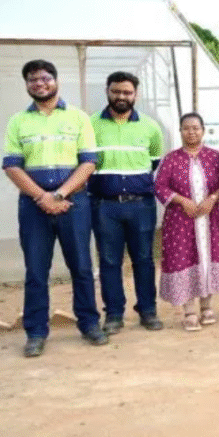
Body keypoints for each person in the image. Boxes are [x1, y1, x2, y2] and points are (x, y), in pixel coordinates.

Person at [2, 59, 107, 357]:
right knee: (36, 271)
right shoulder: (18, 121)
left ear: (56, 81)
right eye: (33, 79)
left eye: (45, 78)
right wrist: (42, 197)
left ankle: (89, 324)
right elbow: (12, 166)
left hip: (74, 202)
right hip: (33, 206)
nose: (40, 84)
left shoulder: (78, 117)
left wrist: (59, 195)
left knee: (82, 267)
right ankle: (36, 333)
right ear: (27, 85)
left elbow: (88, 162)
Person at [90, 71, 164, 334]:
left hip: (140, 205)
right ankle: (113, 314)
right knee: (109, 261)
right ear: (107, 91)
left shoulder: (150, 127)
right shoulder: (90, 125)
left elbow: (154, 161)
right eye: (116, 91)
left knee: (144, 259)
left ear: (136, 95)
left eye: (127, 92)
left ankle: (148, 310)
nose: (121, 96)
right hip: (104, 205)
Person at [154, 113, 219, 331]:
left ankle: (207, 307)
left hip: (208, 219)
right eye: (186, 128)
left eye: (196, 128)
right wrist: (182, 201)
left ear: (203, 130)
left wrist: (213, 198)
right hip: (180, 220)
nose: (191, 132)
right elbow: (160, 186)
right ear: (180, 131)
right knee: (184, 259)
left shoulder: (215, 157)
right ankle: (189, 311)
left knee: (206, 258)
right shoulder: (171, 159)